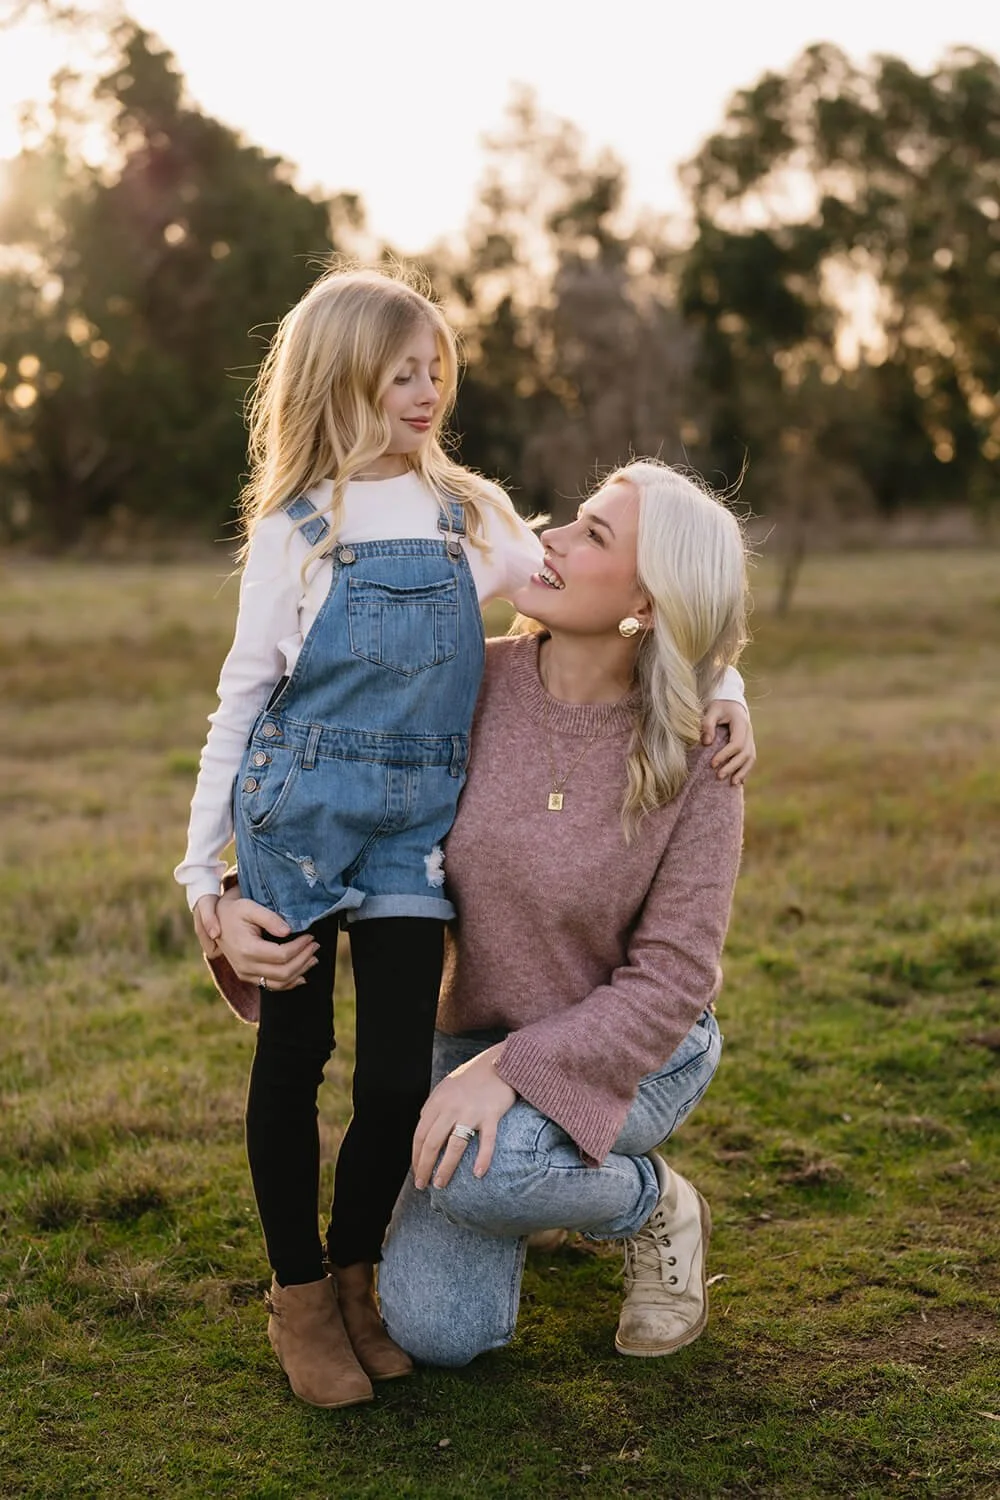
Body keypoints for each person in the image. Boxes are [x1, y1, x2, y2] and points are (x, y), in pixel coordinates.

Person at [212, 457, 752, 1373]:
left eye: (593, 536)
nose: (551, 539)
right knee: (434, 1331)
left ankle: (648, 1203)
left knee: (488, 1170)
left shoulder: (702, 754)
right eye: (573, 518)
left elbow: (672, 984)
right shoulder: (466, 677)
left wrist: (512, 1071)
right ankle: (536, 1189)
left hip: (638, 1050)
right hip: (465, 1043)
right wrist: (224, 895)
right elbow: (329, 777)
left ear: (649, 603)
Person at [174, 264, 545, 1409]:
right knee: (295, 1060)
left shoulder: (468, 514)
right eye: (400, 375)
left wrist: (720, 677)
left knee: (391, 1080)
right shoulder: (298, 529)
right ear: (341, 380)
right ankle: (297, 1298)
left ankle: (358, 1274)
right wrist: (203, 880)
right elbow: (243, 700)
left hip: (412, 829)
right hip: (295, 821)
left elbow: (601, 589)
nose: (426, 391)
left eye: (437, 369)